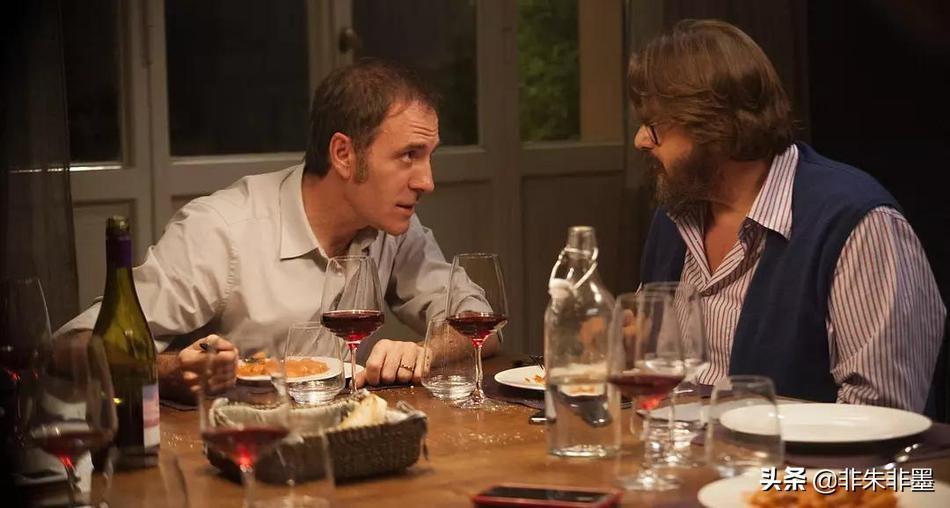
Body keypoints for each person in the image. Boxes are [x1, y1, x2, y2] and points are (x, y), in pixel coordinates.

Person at [56, 59, 498, 402]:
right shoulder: (222, 231)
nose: (427, 181)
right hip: (227, 457)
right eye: (409, 156)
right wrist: (171, 371)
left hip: (343, 447)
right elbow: (70, 347)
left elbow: (482, 323)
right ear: (344, 155)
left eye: (429, 156)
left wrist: (427, 351)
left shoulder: (393, 228)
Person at [629, 19, 945, 412]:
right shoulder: (676, 214)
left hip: (794, 455)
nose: (640, 140)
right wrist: (631, 345)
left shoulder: (856, 223)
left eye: (655, 125)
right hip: (684, 447)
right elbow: (663, 376)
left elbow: (883, 415)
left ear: (714, 126)